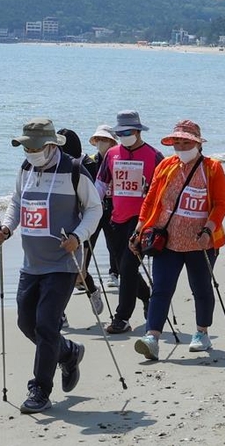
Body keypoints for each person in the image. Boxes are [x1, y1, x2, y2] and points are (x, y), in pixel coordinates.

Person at [0, 118, 103, 414]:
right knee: (26, 323)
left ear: (52, 145)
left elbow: (95, 208)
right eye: (25, 145)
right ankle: (68, 353)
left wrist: (78, 237)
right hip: (31, 264)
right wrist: (6, 227)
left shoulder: (74, 170)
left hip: (62, 264)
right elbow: (16, 202)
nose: (29, 150)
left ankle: (40, 389)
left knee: (46, 324)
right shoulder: (26, 169)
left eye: (35, 145)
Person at [130, 120, 225, 360]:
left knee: (201, 288)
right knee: (161, 288)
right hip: (167, 241)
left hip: (200, 242)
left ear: (197, 143)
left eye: (187, 142)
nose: (182, 147)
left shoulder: (212, 168)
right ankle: (152, 337)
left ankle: (201, 333)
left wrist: (208, 229)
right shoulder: (165, 166)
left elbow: (220, 204)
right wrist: (139, 229)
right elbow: (150, 201)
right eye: (178, 142)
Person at [95, 110, 164, 334]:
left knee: (127, 266)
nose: (123, 135)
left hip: (142, 222)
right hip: (116, 219)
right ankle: (148, 297)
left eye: (127, 132)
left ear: (137, 131)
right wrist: (90, 208)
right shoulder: (112, 154)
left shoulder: (154, 156)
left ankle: (121, 318)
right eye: (120, 132)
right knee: (127, 270)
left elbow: (163, 191)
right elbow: (101, 183)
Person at [56, 128, 105, 316]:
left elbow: (92, 200)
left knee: (79, 272)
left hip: (85, 225)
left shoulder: (86, 165)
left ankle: (92, 291)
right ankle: (59, 314)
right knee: (60, 271)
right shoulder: (54, 166)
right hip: (61, 225)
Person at [87, 125, 121, 287]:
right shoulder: (89, 161)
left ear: (113, 142)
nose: (101, 142)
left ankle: (114, 273)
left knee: (113, 242)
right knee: (88, 240)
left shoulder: (118, 160)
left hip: (113, 206)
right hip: (94, 207)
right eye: (99, 139)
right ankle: (82, 274)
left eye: (105, 139)